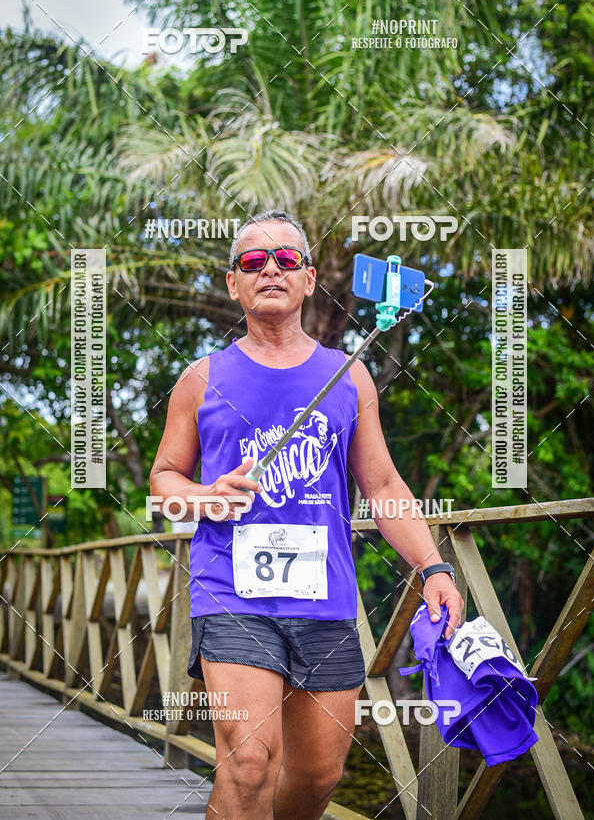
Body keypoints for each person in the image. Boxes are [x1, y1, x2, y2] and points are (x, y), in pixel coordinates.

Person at [150, 209, 464, 819]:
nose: (271, 269)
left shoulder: (348, 376)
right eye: (253, 261)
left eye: (287, 259)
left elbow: (383, 482)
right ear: (233, 281)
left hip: (325, 599)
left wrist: (433, 566)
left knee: (319, 775)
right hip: (231, 593)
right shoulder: (200, 379)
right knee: (247, 764)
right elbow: (163, 483)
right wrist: (208, 495)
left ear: (309, 277)